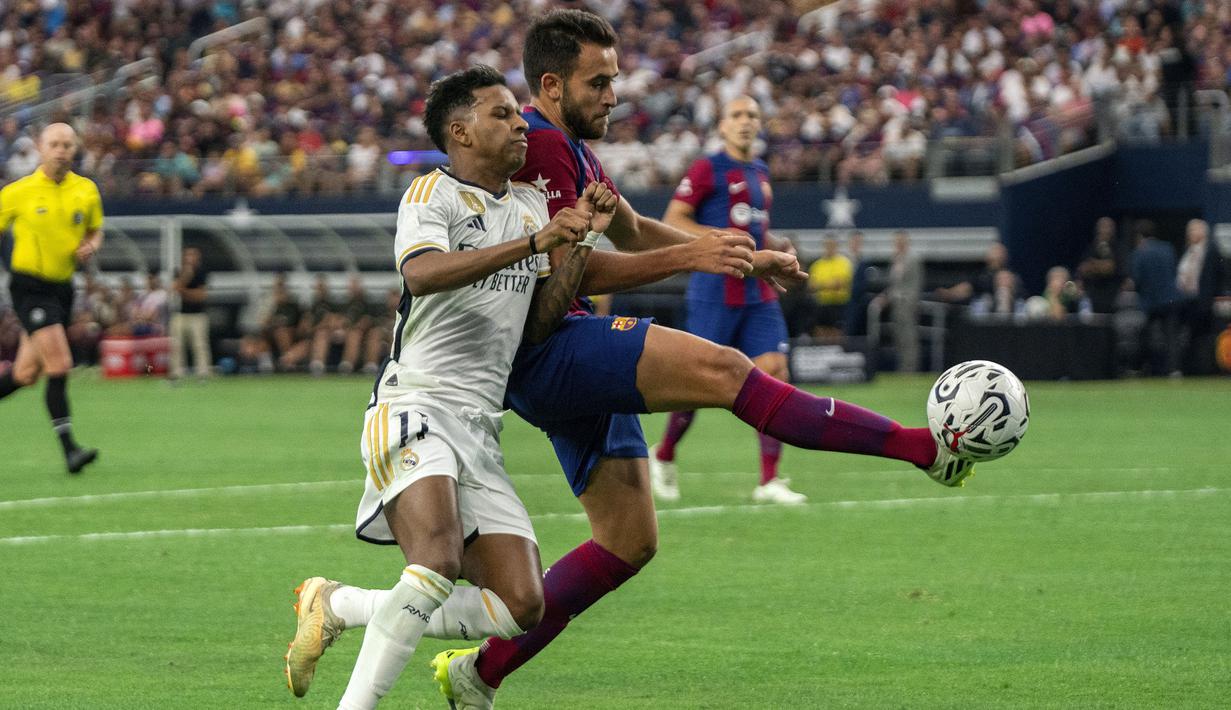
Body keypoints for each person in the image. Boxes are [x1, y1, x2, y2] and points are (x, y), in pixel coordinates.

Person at [286, 11, 976, 708]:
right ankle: (924, 449)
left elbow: (634, 228)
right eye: (600, 81)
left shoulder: (571, 150)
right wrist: (694, 255)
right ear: (551, 85)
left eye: (614, 79)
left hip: (524, 373)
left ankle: (473, 671)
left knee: (626, 540)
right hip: (548, 350)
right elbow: (568, 272)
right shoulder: (537, 147)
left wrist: (738, 255)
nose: (614, 94)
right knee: (728, 373)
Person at [283, 66, 617, 709]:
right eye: (501, 115)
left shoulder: (524, 205)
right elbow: (424, 274)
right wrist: (533, 242)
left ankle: (339, 603)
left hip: (480, 426)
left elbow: (539, 322)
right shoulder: (430, 194)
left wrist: (581, 242)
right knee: (434, 561)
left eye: (519, 116)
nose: (521, 123)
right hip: (415, 403)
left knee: (522, 606)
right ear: (460, 131)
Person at [647, 95, 806, 506]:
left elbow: (755, 233)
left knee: (775, 371)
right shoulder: (707, 168)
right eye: (737, 115)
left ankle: (769, 480)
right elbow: (673, 220)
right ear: (721, 126)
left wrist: (774, 246)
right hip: (715, 292)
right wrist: (720, 243)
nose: (745, 121)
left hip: (759, 291)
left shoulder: (760, 171)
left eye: (753, 114)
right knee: (698, 385)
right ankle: (662, 456)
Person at [0, 123, 101, 473]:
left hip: (62, 287)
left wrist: (90, 244)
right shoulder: (19, 192)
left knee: (25, 374)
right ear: (41, 149)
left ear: (75, 150)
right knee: (59, 364)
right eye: (54, 144)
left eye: (67, 145)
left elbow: (95, 228)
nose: (61, 150)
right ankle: (70, 450)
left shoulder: (86, 190)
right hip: (29, 287)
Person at [1129, 219, 1180, 375]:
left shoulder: (1139, 252)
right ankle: (1174, 370)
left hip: (1150, 301)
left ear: (1139, 235)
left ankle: (1138, 367)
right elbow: (1173, 271)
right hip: (1170, 299)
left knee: (1143, 335)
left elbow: (1136, 279)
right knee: (1171, 337)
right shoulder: (1168, 248)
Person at [877, 230, 923, 372]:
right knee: (899, 337)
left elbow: (916, 284)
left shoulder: (913, 259)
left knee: (909, 337)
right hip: (896, 304)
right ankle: (903, 367)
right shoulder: (896, 259)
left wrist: (911, 302)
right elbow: (894, 284)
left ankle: (911, 368)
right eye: (896, 241)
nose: (898, 244)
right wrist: (886, 296)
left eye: (900, 241)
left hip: (907, 303)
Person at [170, 246, 211, 378]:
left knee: (199, 345)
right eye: (187, 255)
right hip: (181, 314)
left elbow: (201, 295)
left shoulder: (202, 272)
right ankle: (177, 373)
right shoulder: (179, 271)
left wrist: (184, 292)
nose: (190, 258)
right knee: (177, 346)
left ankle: (203, 373)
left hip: (198, 315)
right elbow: (175, 288)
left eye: (193, 255)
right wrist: (186, 275)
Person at [808, 232, 854, 334]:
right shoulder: (817, 265)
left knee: (837, 332)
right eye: (827, 245)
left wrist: (821, 285)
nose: (829, 247)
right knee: (820, 330)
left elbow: (839, 284)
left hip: (838, 305)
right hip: (821, 304)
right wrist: (829, 284)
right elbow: (811, 286)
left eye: (832, 245)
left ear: (836, 246)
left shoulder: (843, 263)